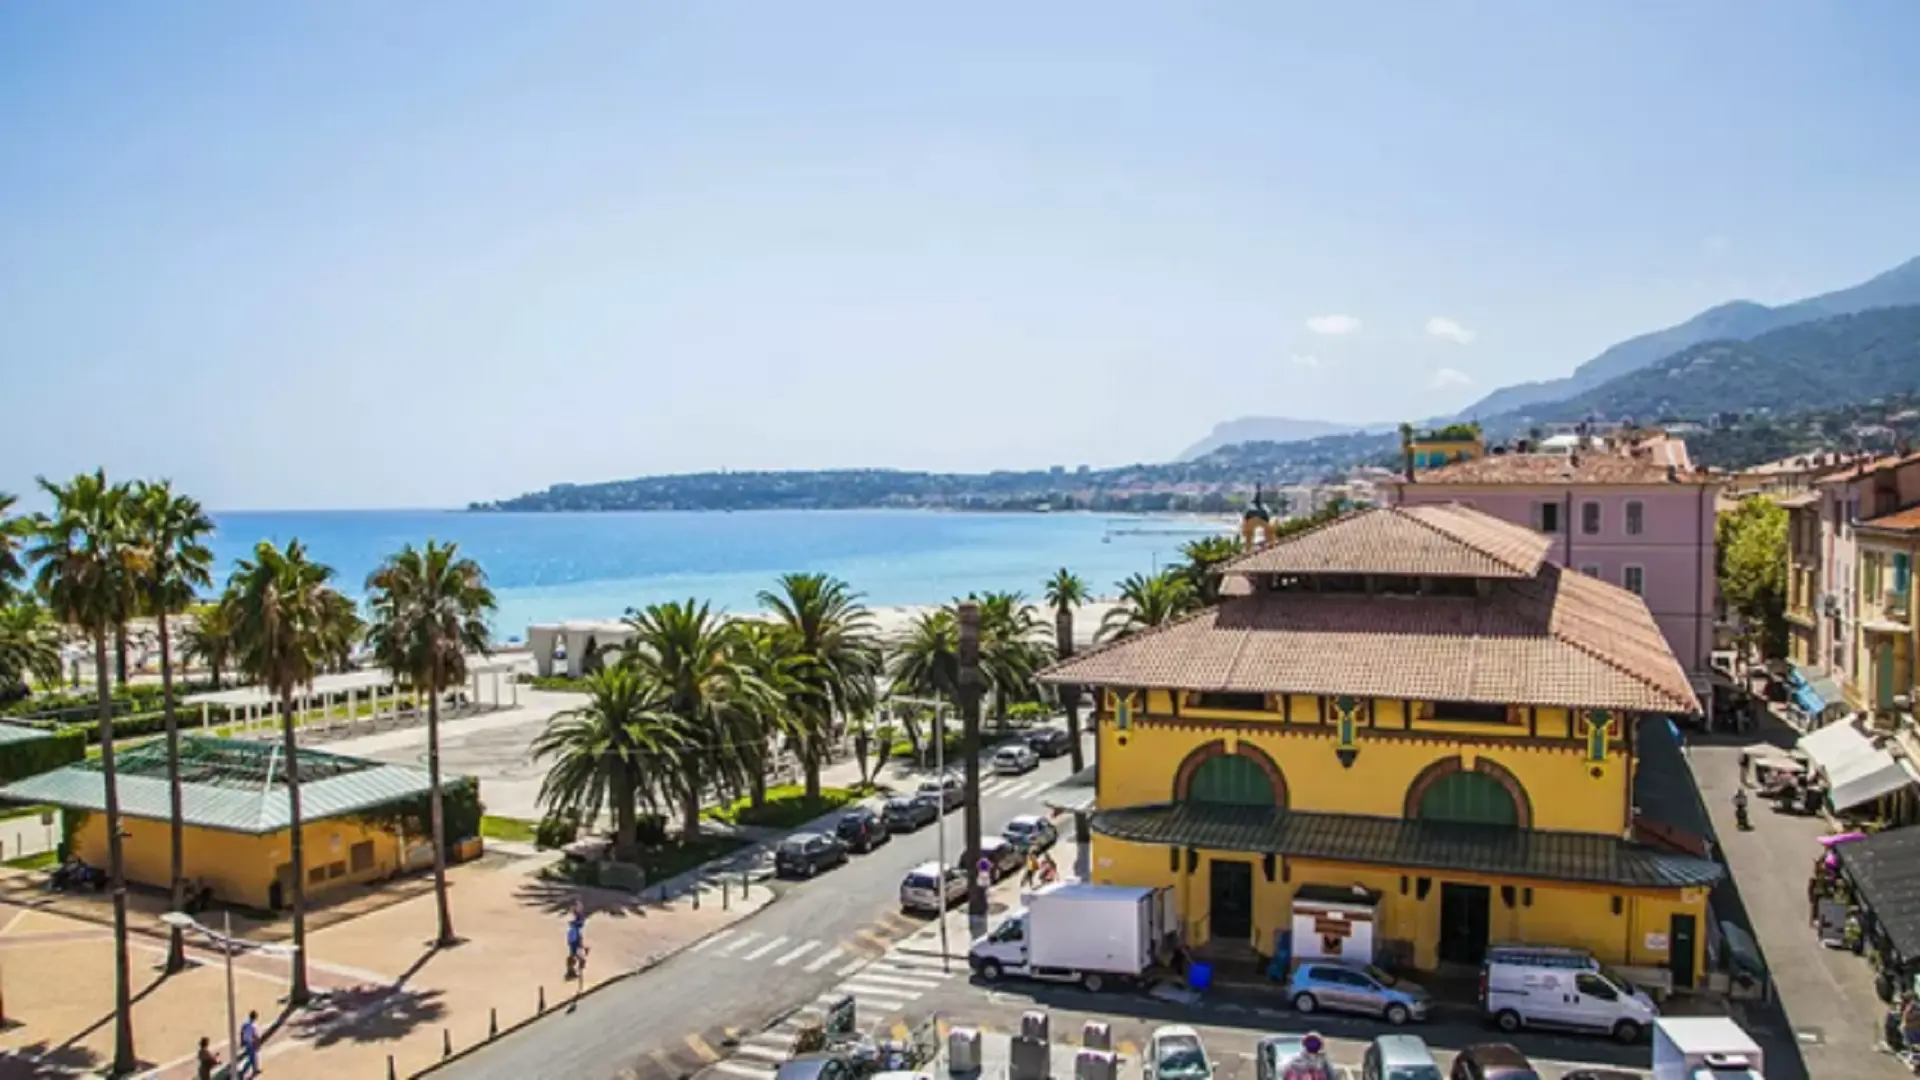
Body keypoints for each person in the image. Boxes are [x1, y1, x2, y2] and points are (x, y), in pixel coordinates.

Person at [565, 903, 589, 981]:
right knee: (576, 956)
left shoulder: (575, 926)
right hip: (574, 940)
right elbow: (577, 937)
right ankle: (572, 971)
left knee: (575, 956)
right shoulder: (575, 926)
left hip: (573, 940)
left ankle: (573, 971)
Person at [236, 1010, 261, 1079]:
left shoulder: (245, 1024)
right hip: (252, 1043)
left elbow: (242, 1032)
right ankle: (254, 1070)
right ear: (255, 1017)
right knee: (253, 1057)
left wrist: (241, 1041)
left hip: (246, 1041)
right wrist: (257, 1044)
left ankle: (253, 1069)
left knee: (250, 1056)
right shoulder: (254, 1025)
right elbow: (255, 1036)